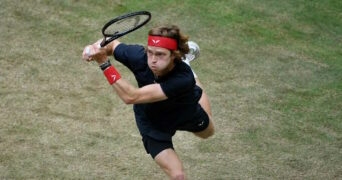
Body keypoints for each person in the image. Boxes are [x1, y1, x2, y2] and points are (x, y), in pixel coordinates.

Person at [82, 25, 215, 180]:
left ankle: (186, 65)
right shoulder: (139, 56)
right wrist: (95, 47)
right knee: (178, 176)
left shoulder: (183, 79)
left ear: (174, 54)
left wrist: (104, 63)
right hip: (153, 122)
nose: (152, 60)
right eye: (150, 52)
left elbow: (131, 97)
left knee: (208, 133)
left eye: (160, 54)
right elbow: (111, 44)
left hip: (185, 112)